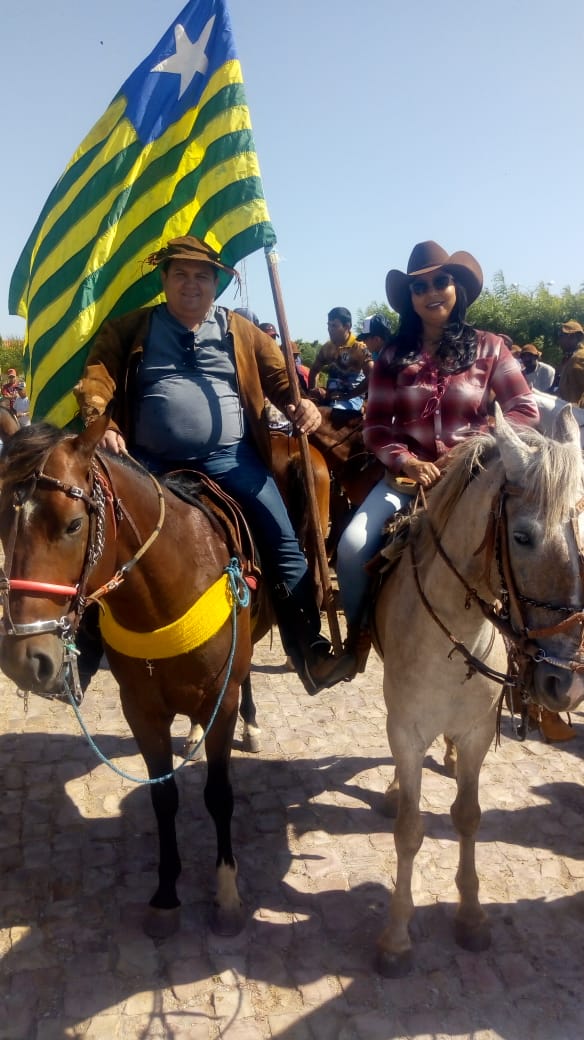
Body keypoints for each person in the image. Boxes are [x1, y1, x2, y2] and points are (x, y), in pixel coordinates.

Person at [73, 235, 351, 694]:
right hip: (148, 460)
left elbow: (284, 380)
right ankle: (82, 657)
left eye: (201, 276)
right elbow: (97, 377)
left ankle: (308, 650)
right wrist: (102, 422)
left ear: (216, 284)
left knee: (284, 544)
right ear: (164, 280)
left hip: (232, 457)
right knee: (99, 536)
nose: (190, 284)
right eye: (180, 274)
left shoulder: (241, 332)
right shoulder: (131, 327)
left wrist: (305, 407)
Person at [336, 240, 539, 677]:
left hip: (478, 481)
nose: (432, 290)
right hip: (408, 484)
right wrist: (406, 461)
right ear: (410, 298)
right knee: (351, 550)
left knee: (534, 548)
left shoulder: (490, 348)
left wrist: (471, 449)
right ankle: (359, 641)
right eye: (420, 285)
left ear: (456, 287)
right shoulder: (391, 357)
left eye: (441, 281)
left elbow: (525, 410)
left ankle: (535, 663)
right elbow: (374, 427)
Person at [308, 307, 373, 411]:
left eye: (334, 325)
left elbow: (372, 376)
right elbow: (314, 370)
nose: (329, 329)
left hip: (353, 400)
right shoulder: (326, 348)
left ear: (347, 326)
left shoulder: (360, 347)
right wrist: (311, 392)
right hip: (331, 397)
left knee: (335, 412)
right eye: (328, 325)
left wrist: (348, 396)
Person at [557, 320, 584, 403]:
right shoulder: (568, 358)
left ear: (577, 337)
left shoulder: (580, 357)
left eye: (563, 335)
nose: (560, 339)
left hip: (576, 413)